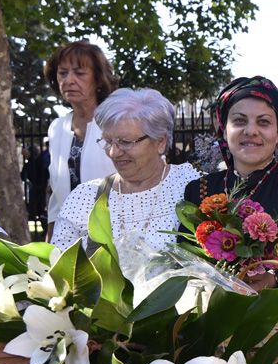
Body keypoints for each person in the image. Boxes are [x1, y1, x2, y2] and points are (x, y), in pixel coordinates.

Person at [184, 77, 278, 307]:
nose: (251, 131)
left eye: (263, 122)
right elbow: (183, 259)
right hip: (211, 322)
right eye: (239, 121)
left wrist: (275, 280)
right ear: (224, 130)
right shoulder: (200, 190)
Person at [51, 89, 199, 279]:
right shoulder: (85, 197)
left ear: (160, 142)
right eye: (108, 141)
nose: (113, 152)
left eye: (126, 142)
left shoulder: (193, 185)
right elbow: (58, 269)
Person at [43, 41, 117, 236]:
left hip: (116, 234)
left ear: (99, 79)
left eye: (79, 73)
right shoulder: (57, 128)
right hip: (68, 238)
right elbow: (56, 194)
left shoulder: (118, 123)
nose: (69, 80)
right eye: (62, 73)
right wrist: (50, 237)